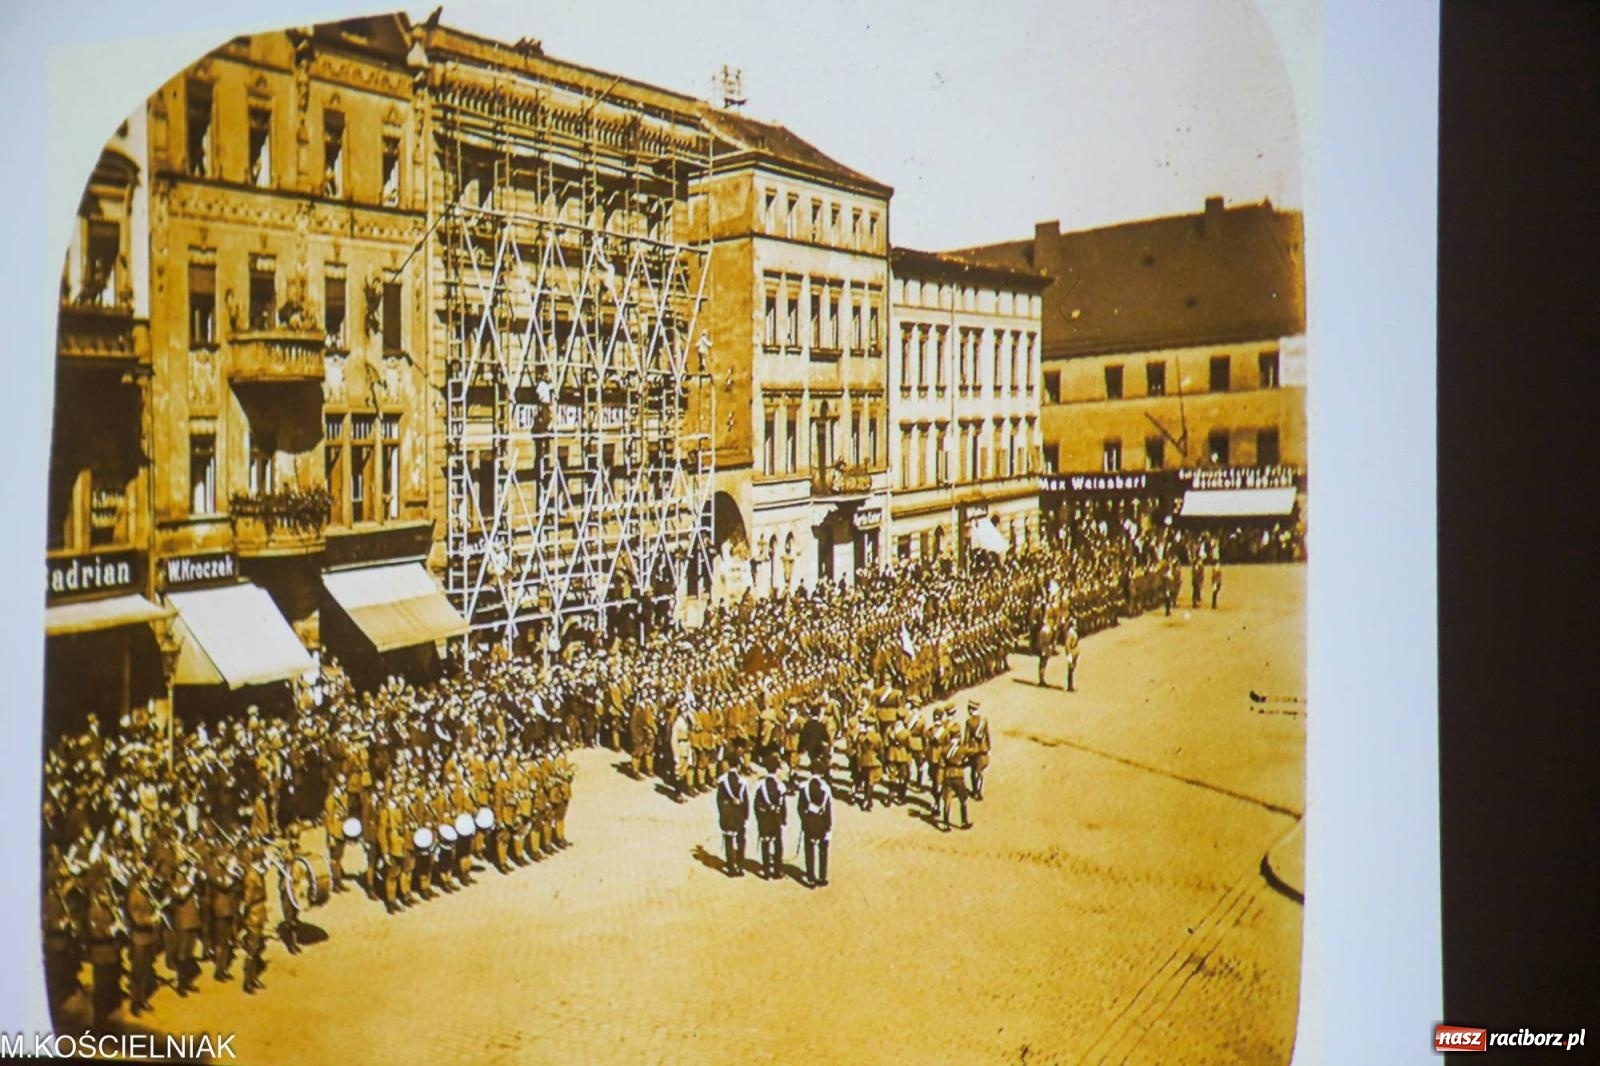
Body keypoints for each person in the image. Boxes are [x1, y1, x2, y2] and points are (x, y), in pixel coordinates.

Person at [796, 771, 833, 888]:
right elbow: (828, 810)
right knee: (823, 852)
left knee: (809, 851)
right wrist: (828, 826)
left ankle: (811, 877)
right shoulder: (825, 788)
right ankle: (822, 877)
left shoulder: (804, 787)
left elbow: (800, 808)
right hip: (822, 824)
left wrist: (804, 820)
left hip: (809, 824)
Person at [753, 761, 787, 880]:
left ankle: (766, 871)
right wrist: (783, 820)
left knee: (765, 844)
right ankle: (777, 870)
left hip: (764, 819)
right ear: (776, 770)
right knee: (777, 844)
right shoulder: (781, 786)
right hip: (776, 819)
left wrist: (759, 819)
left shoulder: (760, 785)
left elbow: (756, 805)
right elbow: (783, 806)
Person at [715, 764, 750, 877]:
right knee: (741, 840)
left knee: (729, 841)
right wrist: (746, 816)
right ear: (738, 766)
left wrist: (723, 813)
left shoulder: (723, 781)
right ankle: (740, 866)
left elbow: (719, 801)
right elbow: (745, 802)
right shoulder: (742, 781)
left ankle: (731, 868)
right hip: (739, 815)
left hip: (727, 815)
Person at [940, 715, 972, 831]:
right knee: (963, 799)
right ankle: (964, 822)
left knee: (947, 800)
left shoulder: (945, 749)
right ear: (958, 736)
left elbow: (942, 764)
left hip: (947, 774)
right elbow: (971, 752)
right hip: (958, 774)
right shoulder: (962, 749)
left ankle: (945, 823)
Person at [964, 700, 992, 801]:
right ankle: (979, 791)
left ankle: (975, 790)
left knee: (973, 770)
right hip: (983, 747)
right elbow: (987, 734)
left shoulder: (969, 722)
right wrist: (989, 748)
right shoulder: (984, 720)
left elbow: (966, 738)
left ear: (971, 710)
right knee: (980, 770)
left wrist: (964, 750)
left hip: (973, 748)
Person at [1065, 617, 1081, 693]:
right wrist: (1068, 655)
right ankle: (1069, 686)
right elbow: (1067, 645)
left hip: (1074, 652)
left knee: (1072, 669)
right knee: (1070, 670)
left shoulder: (1073, 632)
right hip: (1071, 653)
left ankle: (1071, 685)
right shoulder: (1070, 633)